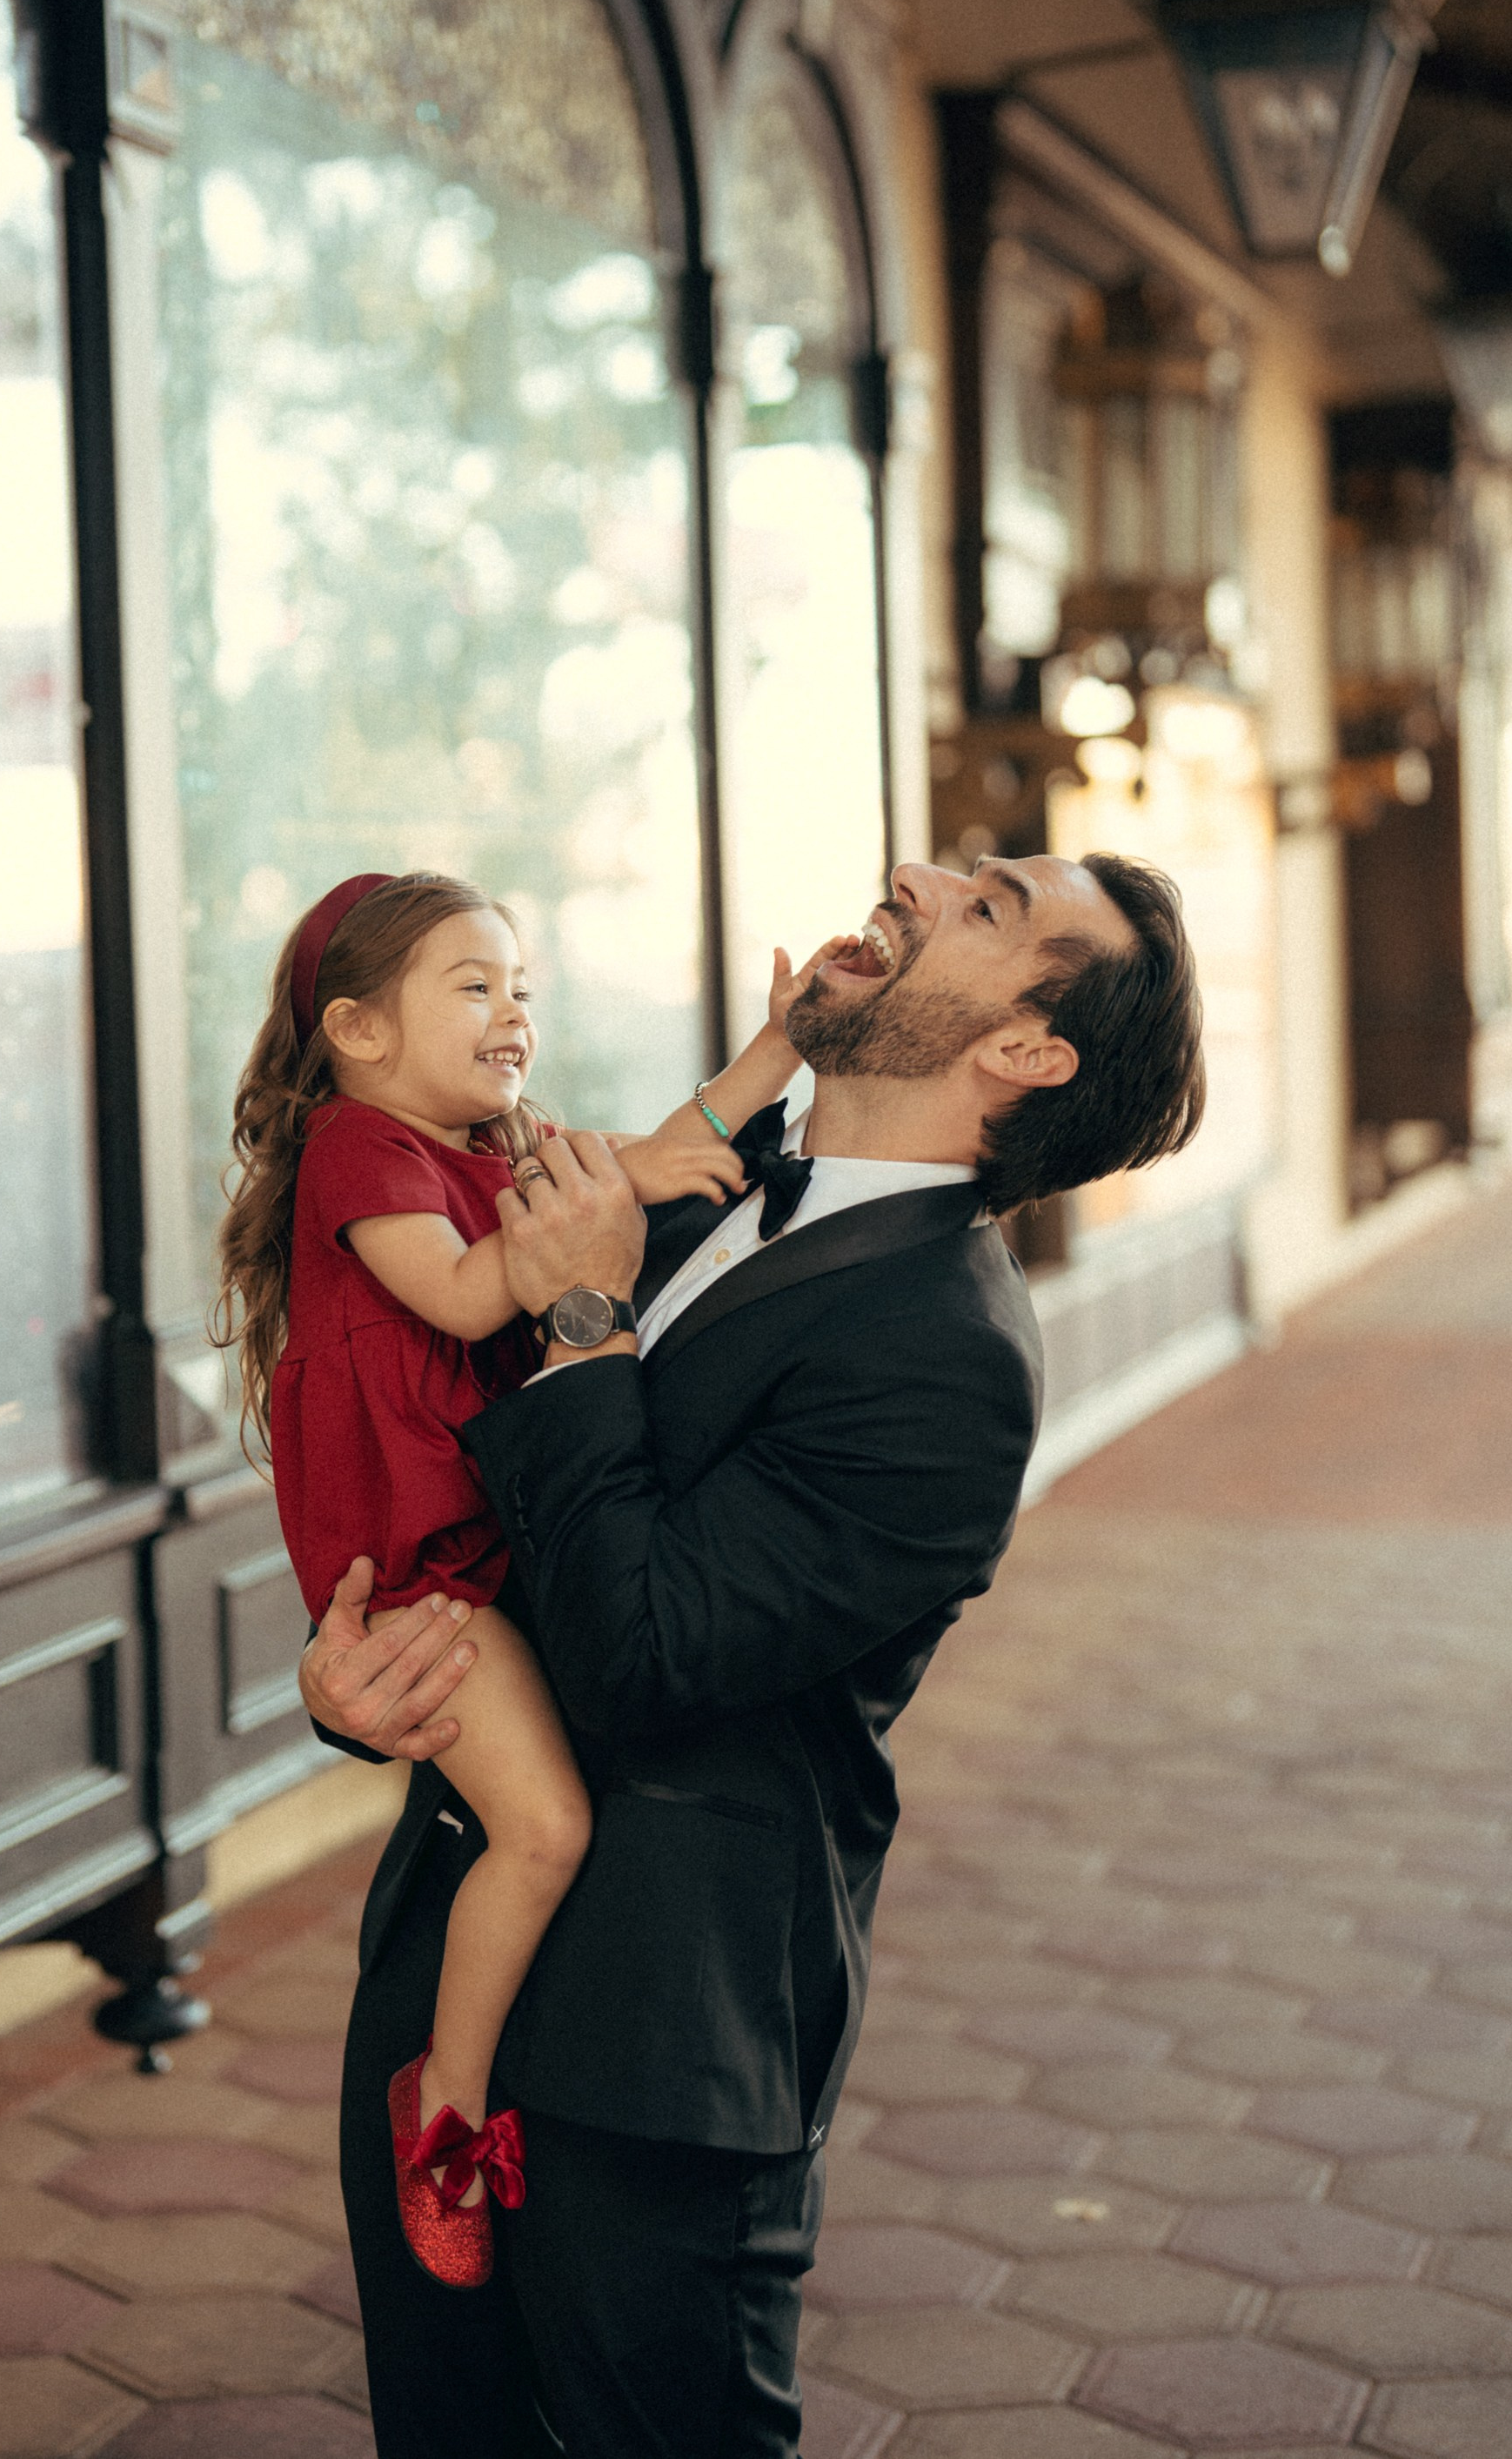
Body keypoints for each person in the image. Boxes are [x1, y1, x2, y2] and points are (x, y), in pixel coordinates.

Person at [302, 850, 1208, 2456]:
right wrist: (356, 1686)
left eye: (990, 905)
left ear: (1027, 1053)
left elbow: (647, 1650)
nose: (920, 877)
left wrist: (587, 1328)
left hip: (650, 2042)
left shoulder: (952, 1356)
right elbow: (474, 1502)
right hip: (437, 1956)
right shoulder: (705, 1183)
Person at [216, 868, 848, 2287]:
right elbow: (456, 1291)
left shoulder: (492, 1143)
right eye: (474, 985)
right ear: (360, 1031)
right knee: (545, 1826)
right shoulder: (361, 1148)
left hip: (498, 1529)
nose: (513, 1012)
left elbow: (651, 1150)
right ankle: (443, 2104)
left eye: (523, 990)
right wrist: (589, 1229)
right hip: (441, 1570)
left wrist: (776, 1056)